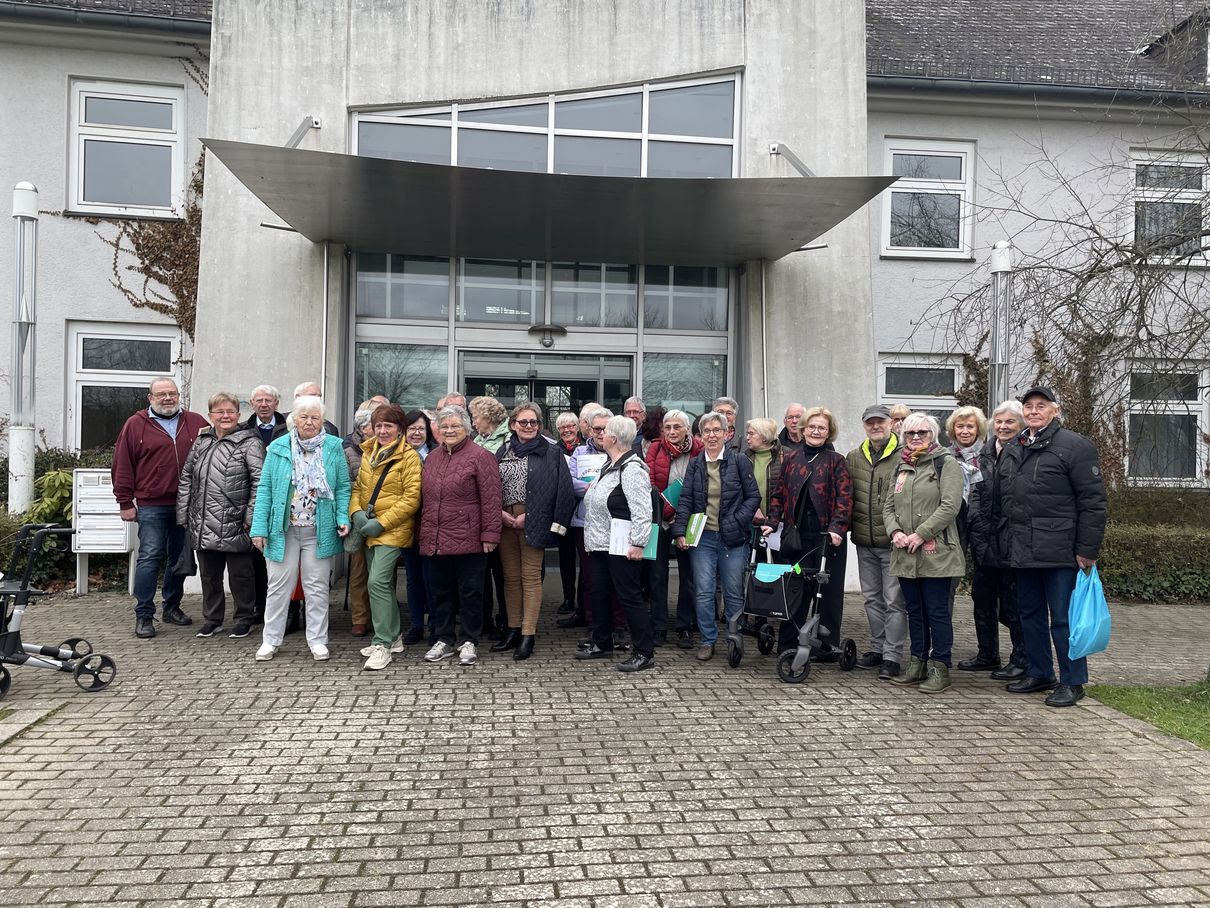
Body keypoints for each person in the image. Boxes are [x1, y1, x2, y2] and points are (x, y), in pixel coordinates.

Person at [993, 386, 1107, 707]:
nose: (1033, 411)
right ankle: (1040, 671)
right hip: (1022, 549)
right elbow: (1002, 502)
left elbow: (1093, 502)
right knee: (1028, 614)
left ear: (1054, 411)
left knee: (1063, 619)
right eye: (1028, 406)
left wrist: (1087, 550)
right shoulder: (1014, 446)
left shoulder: (1074, 446)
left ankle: (1072, 681)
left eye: (1041, 406)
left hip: (1061, 551)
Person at [250, 396, 351, 662]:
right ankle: (271, 640)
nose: (309, 422)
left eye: (315, 417)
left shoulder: (334, 447)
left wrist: (343, 516)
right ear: (294, 418)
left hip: (319, 529)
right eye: (304, 416)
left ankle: (317, 640)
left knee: (316, 587)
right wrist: (258, 528)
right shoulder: (278, 447)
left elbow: (342, 487)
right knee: (278, 586)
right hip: (282, 530)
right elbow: (265, 490)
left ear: (322, 421)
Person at [112, 376, 209, 639]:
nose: (168, 398)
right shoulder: (135, 425)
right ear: (150, 398)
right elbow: (122, 464)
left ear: (179, 395)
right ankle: (144, 614)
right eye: (161, 394)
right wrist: (124, 501)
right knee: (150, 558)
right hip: (151, 504)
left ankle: (172, 607)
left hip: (187, 504)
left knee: (179, 559)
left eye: (172, 393)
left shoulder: (197, 422)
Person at [883, 412, 966, 694]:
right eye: (910, 434)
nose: (916, 438)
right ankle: (917, 662)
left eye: (922, 433)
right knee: (914, 611)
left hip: (936, 552)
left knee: (937, 612)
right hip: (905, 550)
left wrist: (921, 533)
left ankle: (940, 666)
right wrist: (895, 532)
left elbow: (950, 506)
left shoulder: (946, 463)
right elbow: (887, 506)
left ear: (934, 435)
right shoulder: (900, 465)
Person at [762, 406, 853, 656]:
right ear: (803, 430)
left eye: (821, 427)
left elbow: (845, 499)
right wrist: (772, 521)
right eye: (811, 427)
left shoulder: (837, 461)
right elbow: (779, 494)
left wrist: (837, 529)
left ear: (829, 432)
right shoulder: (791, 458)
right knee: (795, 589)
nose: (815, 431)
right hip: (797, 537)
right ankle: (789, 643)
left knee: (828, 592)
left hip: (827, 539)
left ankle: (825, 646)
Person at [176, 391, 265, 640]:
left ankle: (244, 618)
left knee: (241, 576)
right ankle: (212, 619)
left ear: (239, 415)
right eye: (219, 412)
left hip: (236, 521)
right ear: (210, 415)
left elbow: (260, 482)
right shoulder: (202, 441)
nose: (225, 416)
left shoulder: (250, 442)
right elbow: (186, 478)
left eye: (230, 412)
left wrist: (251, 517)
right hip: (203, 521)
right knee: (210, 576)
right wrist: (183, 514)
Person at [418, 405, 502, 666]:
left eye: (455, 425)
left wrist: (490, 535)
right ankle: (443, 639)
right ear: (439, 430)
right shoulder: (432, 457)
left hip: (469, 539)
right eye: (444, 426)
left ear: (467, 428)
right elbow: (425, 500)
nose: (450, 430)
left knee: (470, 593)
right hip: (436, 538)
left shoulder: (481, 457)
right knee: (440, 592)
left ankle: (469, 640)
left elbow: (491, 499)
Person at [673, 410, 760, 661]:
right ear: (700, 435)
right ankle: (708, 640)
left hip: (733, 538)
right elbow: (686, 499)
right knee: (703, 590)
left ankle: (734, 637)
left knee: (733, 590)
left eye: (716, 430)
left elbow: (753, 496)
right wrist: (680, 531)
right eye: (707, 431)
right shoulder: (696, 464)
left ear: (726, 433)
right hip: (703, 538)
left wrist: (736, 521)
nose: (711, 435)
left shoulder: (740, 461)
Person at [494, 402, 576, 660]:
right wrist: (500, 513)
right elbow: (491, 485)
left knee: (530, 577)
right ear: (513, 425)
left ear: (540, 426)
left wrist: (533, 516)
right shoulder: (503, 449)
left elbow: (563, 491)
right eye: (523, 422)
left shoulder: (552, 452)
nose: (528, 426)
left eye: (533, 422)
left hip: (534, 520)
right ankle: (513, 628)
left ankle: (528, 633)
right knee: (510, 577)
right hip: (506, 520)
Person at [576, 414, 656, 672]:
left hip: (622, 545)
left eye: (605, 431)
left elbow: (643, 511)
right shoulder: (609, 465)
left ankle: (644, 651)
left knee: (630, 596)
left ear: (614, 437)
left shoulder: (632, 469)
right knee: (597, 592)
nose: (601, 435)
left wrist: (639, 543)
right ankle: (601, 643)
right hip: (599, 544)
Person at [350, 404, 423, 671]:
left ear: (399, 429)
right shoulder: (369, 451)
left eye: (388, 426)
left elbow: (411, 498)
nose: (382, 430)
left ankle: (382, 644)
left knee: (377, 582)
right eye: (378, 425)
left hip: (392, 529)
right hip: (367, 526)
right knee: (381, 586)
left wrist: (381, 522)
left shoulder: (410, 457)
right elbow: (358, 487)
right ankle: (394, 638)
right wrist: (356, 513)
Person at [964, 400, 1028, 679]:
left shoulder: (1025, 452)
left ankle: (1021, 658)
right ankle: (987, 654)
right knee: (982, 599)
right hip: (985, 541)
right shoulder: (986, 453)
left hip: (1012, 543)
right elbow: (976, 492)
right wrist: (977, 523)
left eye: (1010, 422)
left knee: (1014, 604)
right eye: (999, 422)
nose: (1003, 427)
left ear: (1021, 425)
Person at [845, 405, 907, 680]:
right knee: (871, 599)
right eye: (870, 422)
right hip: (863, 540)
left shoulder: (903, 455)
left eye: (880, 422)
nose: (875, 426)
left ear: (891, 423)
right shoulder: (854, 457)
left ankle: (893, 656)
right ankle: (878, 648)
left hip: (893, 540)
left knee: (894, 600)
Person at [646, 409, 703, 648]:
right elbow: (648, 482)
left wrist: (681, 512)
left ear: (687, 429)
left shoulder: (699, 450)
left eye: (677, 427)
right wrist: (667, 510)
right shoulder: (655, 449)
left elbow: (702, 485)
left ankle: (684, 626)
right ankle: (659, 626)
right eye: (667, 427)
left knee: (688, 576)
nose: (671, 432)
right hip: (660, 518)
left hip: (689, 520)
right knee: (656, 575)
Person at [560, 406, 611, 630]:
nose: (600, 433)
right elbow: (571, 484)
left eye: (605, 428)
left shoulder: (618, 451)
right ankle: (592, 623)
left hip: (613, 522)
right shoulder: (580, 453)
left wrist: (592, 487)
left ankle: (613, 625)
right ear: (589, 429)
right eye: (596, 428)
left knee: (611, 577)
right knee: (590, 577)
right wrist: (597, 488)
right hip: (584, 522)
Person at [242, 383, 288, 626]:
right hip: (253, 501)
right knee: (256, 561)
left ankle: (289, 612)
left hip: (281, 502)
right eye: (258, 401)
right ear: (252, 404)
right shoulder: (244, 430)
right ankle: (259, 608)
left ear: (276, 403)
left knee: (282, 560)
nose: (263, 404)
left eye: (268, 400)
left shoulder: (288, 428)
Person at [470, 395, 510, 637]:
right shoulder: (477, 439)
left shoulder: (507, 439)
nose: (473, 422)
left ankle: (505, 619)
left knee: (502, 572)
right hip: (480, 515)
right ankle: (484, 620)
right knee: (482, 572)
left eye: (475, 417)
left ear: (487, 417)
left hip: (504, 513)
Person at [341, 400, 379, 637]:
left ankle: (380, 616)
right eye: (374, 425)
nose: (379, 430)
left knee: (381, 572)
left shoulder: (388, 448)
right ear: (363, 428)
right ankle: (359, 618)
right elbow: (345, 485)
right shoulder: (348, 451)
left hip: (383, 518)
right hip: (357, 517)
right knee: (358, 571)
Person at [400, 409, 436, 644]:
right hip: (406, 526)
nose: (416, 433)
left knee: (433, 577)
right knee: (413, 578)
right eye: (411, 428)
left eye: (421, 429)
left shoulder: (436, 455)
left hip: (432, 526)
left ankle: (435, 625)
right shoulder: (398, 456)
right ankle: (415, 625)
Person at [552, 411, 581, 615]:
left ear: (578, 427)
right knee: (566, 557)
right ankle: (568, 597)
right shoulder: (553, 451)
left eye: (570, 426)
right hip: (563, 512)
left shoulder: (587, 448)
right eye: (562, 427)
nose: (567, 430)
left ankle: (584, 599)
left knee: (587, 559)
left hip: (583, 509)